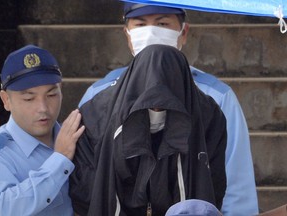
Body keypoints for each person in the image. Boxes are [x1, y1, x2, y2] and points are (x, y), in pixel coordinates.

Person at [78, 3, 259, 215]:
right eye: (141, 24)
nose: (151, 32)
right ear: (127, 34)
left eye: (162, 23)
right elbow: (87, 178)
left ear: (184, 32)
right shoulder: (98, 96)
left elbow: (235, 184)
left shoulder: (216, 97)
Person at [70, 44, 227, 215]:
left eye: (167, 105)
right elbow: (86, 189)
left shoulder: (208, 116)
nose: (157, 110)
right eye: (150, 105)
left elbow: (213, 182)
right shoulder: (96, 116)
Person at [0, 44, 85, 215]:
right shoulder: (2, 150)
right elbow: (4, 208)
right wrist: (59, 160)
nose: (43, 108)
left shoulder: (80, 138)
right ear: (6, 100)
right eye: (29, 98)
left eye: (52, 95)